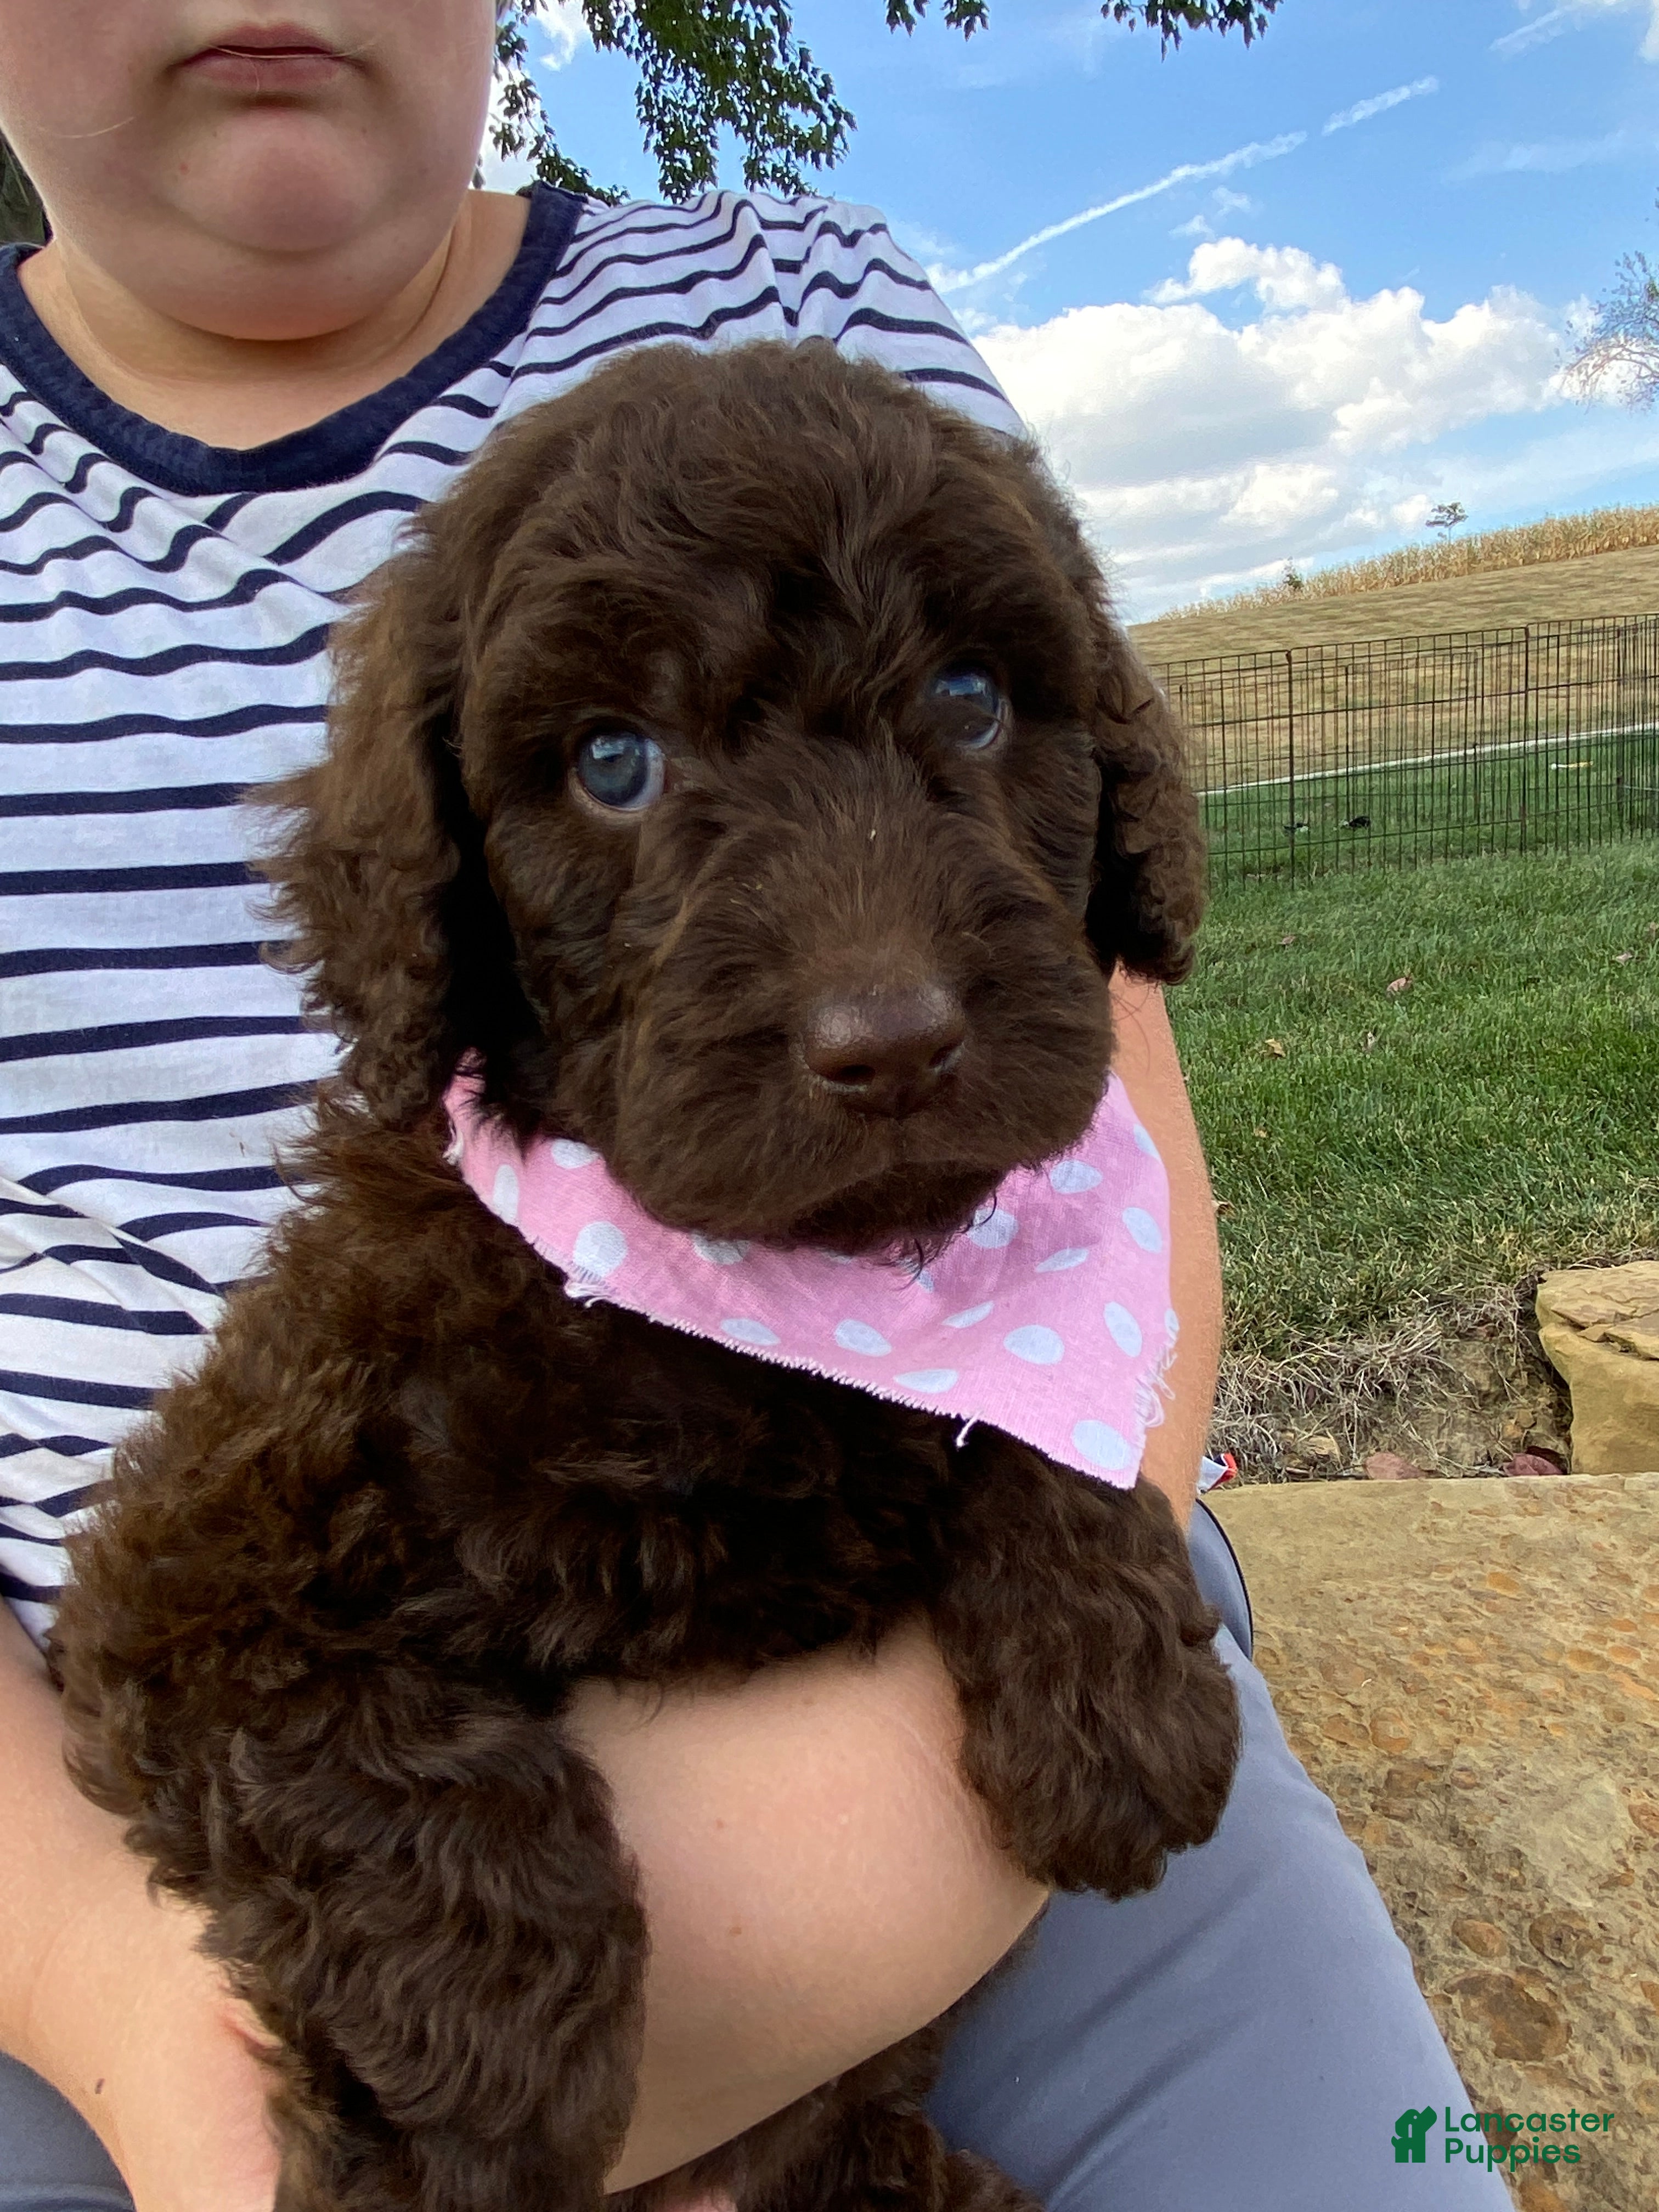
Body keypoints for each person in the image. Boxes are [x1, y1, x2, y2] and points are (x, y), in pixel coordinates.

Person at [0, 7, 1509, 2208]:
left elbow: (1100, 1240)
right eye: (621, 772)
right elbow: (193, 1616)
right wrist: (239, 2019)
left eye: (967, 707)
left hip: (965, 1766)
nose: (875, 988)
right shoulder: (429, 1340)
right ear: (435, 906)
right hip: (167, 1925)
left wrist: (1060, 1569)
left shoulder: (810, 301)